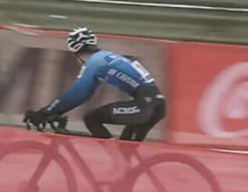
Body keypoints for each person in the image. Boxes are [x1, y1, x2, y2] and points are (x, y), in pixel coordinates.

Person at [24, 27, 165, 141]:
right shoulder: (106, 56)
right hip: (158, 105)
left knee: (91, 119)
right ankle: (123, 170)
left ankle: (117, 163)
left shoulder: (94, 62)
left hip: (143, 105)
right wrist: (54, 110)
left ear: (77, 53)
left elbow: (79, 94)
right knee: (127, 150)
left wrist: (46, 112)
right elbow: (86, 93)